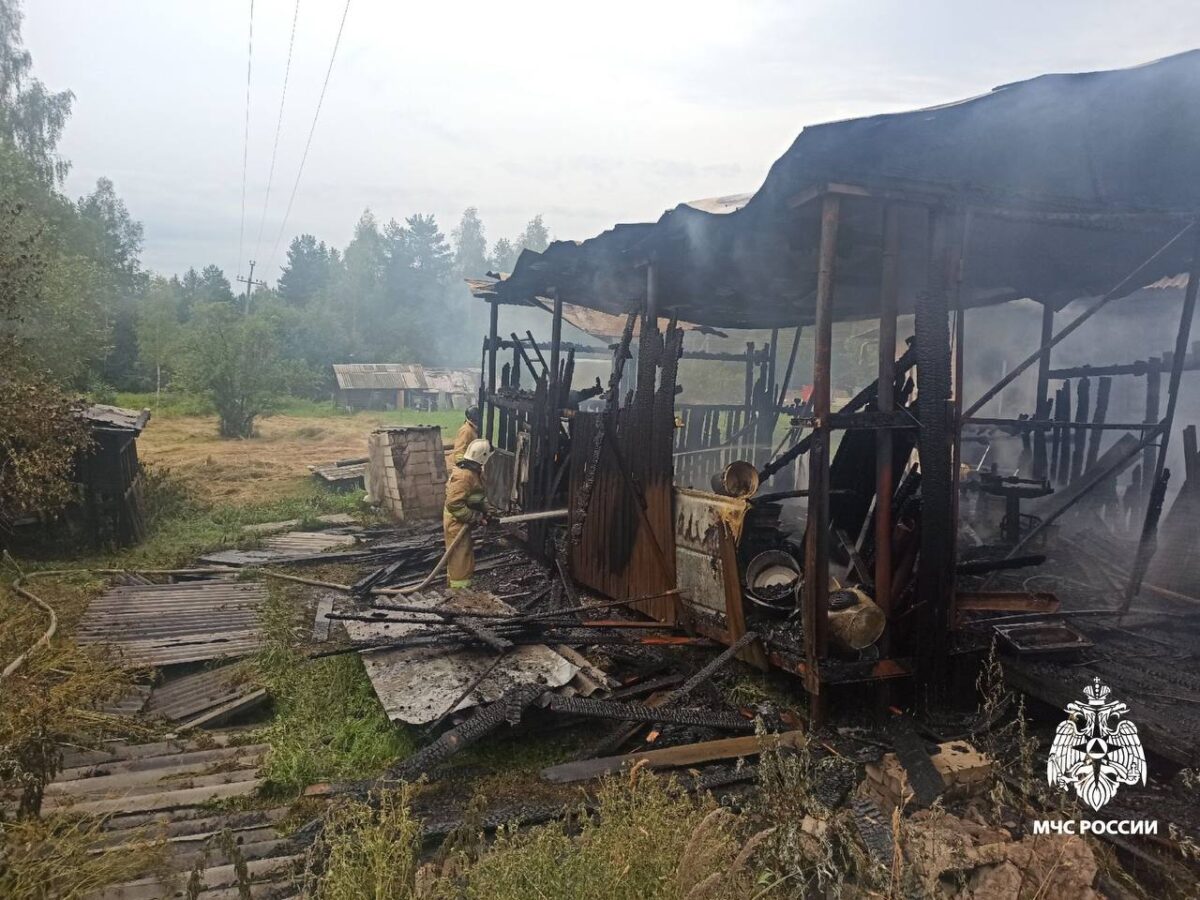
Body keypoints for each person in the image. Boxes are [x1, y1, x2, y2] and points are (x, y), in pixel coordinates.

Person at [443, 438, 500, 589]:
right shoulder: (464, 476)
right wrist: (476, 517)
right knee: (460, 557)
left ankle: (455, 586)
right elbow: (454, 504)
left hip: (461, 518)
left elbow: (476, 497)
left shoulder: (473, 472)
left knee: (459, 555)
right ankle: (460, 591)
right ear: (482, 457)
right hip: (456, 521)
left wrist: (488, 510)